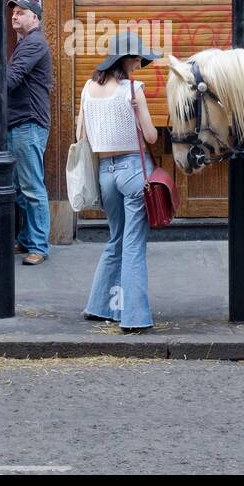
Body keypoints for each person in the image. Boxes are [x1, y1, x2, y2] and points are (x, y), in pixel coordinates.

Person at [79, 32, 161, 333]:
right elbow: (151, 136)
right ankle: (135, 316)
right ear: (125, 60)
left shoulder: (88, 88)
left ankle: (100, 305)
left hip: (105, 172)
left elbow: (83, 136)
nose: (140, 62)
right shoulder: (132, 90)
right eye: (138, 57)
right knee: (134, 243)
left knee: (115, 238)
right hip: (133, 170)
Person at [6, 0, 54, 265]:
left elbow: (12, 79)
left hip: (29, 122)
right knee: (20, 187)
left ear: (34, 19)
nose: (15, 16)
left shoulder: (33, 43)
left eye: (21, 13)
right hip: (19, 122)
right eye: (14, 12)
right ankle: (26, 239)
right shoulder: (24, 43)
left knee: (32, 187)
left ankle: (38, 245)